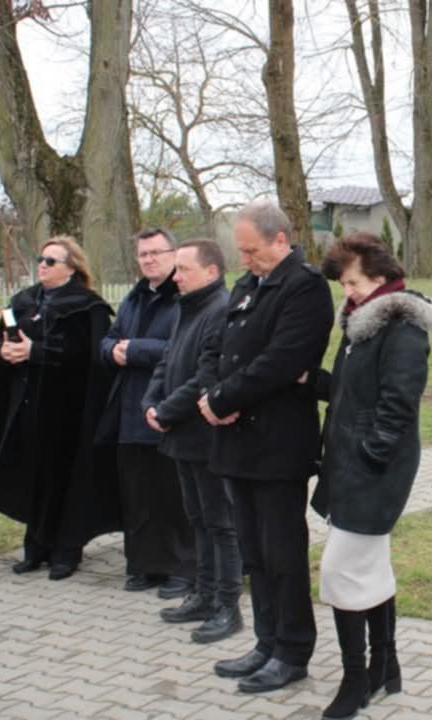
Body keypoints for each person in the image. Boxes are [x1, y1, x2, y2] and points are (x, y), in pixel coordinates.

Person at [198, 199, 334, 694]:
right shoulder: (246, 285)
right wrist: (211, 395)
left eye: (251, 250)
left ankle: (292, 651)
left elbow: (281, 361)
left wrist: (224, 398)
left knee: (282, 554)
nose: (244, 260)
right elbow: (213, 347)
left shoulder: (305, 287)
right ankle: (265, 641)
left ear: (281, 240)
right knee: (252, 552)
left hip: (277, 445)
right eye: (241, 251)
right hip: (235, 442)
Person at [311, 233, 432, 719]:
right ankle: (385, 664)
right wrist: (308, 380)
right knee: (371, 569)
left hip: (374, 469)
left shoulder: (402, 328)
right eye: (344, 284)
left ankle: (356, 680)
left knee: (340, 572)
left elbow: (399, 403)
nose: (347, 292)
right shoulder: (362, 324)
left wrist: (372, 455)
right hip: (350, 464)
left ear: (382, 276)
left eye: (354, 282)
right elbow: (353, 394)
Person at [0, 236, 118, 580]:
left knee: (65, 478)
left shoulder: (87, 307)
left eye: (51, 261)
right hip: (27, 406)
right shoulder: (23, 301)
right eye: (40, 259)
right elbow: (3, 346)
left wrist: (36, 352)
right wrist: (6, 354)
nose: (42, 266)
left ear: (71, 268)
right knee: (32, 474)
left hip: (69, 411)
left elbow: (90, 358)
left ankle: (66, 551)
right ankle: (35, 548)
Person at [142, 239, 244, 644]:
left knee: (221, 523)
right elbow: (168, 360)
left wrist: (166, 411)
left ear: (211, 271)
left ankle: (227, 605)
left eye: (184, 269)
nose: (176, 276)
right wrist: (152, 402)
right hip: (180, 435)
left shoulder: (220, 309)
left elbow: (206, 375)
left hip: (206, 435)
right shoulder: (186, 307)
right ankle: (203, 594)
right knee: (198, 519)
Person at [96, 227, 195, 598]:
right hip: (129, 411)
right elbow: (108, 339)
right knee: (138, 496)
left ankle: (182, 568)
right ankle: (144, 564)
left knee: (173, 495)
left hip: (169, 408)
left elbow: (184, 347)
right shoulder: (134, 298)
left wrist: (134, 350)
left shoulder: (183, 297)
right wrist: (111, 351)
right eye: (143, 254)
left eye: (156, 252)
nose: (149, 260)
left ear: (173, 254)